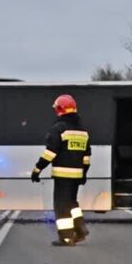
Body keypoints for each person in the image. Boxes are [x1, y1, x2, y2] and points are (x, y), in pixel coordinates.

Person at [31, 94, 91, 246]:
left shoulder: (59, 129)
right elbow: (87, 156)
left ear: (59, 110)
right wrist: (84, 173)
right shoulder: (83, 130)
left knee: (61, 206)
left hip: (62, 176)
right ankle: (81, 229)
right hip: (77, 175)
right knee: (72, 203)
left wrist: (37, 169)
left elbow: (50, 153)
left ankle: (66, 237)